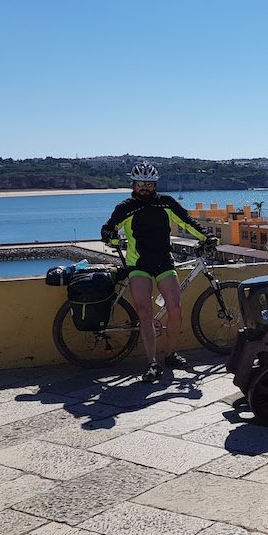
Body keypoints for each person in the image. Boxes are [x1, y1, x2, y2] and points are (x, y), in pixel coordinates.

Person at [101, 161, 218, 382]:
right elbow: (108, 228)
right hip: (138, 265)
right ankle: (152, 363)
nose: (145, 187)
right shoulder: (124, 208)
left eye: (150, 184)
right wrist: (110, 236)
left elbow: (188, 221)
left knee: (175, 308)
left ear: (155, 185)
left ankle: (171, 353)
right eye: (140, 183)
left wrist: (206, 236)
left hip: (164, 262)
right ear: (133, 184)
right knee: (144, 312)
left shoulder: (167, 203)